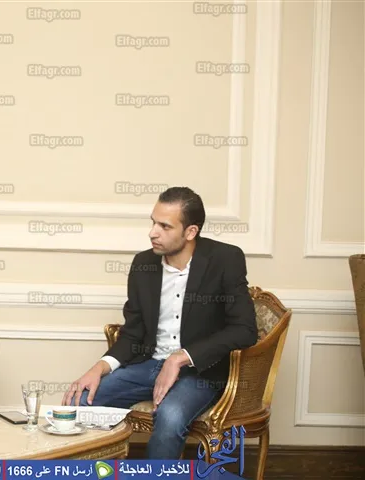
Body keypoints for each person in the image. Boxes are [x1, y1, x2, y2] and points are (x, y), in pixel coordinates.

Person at [62, 186, 258, 459]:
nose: (153, 232)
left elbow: (245, 329)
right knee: (80, 401)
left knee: (170, 417)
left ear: (190, 232)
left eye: (165, 226)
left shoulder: (225, 259)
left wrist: (180, 357)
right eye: (153, 222)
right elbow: (132, 333)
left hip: (199, 373)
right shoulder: (143, 264)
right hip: (148, 365)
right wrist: (99, 368)